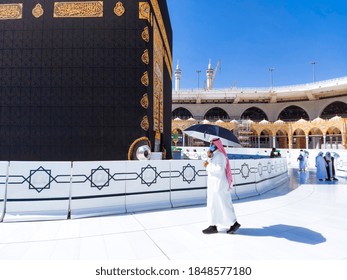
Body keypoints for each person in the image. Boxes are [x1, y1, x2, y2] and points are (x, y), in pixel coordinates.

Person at [202, 138, 240, 234]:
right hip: (213, 185)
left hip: (219, 185)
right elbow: (211, 164)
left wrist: (207, 166)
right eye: (210, 144)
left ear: (216, 145)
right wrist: (209, 157)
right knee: (213, 205)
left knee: (224, 204)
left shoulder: (220, 155)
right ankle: (213, 225)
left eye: (212, 144)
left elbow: (218, 169)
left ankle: (234, 223)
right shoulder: (215, 155)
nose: (210, 145)